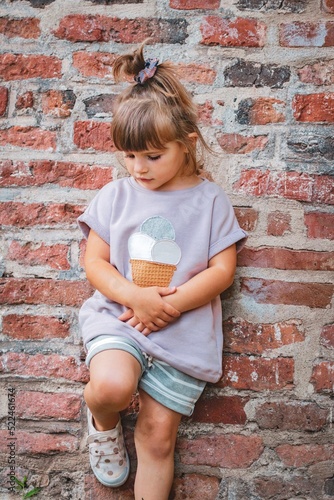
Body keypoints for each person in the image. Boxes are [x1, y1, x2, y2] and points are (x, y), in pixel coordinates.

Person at [78, 42, 247, 500]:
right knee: (111, 386)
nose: (139, 168)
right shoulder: (117, 196)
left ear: (187, 144)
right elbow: (94, 262)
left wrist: (167, 305)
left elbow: (222, 271)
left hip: (182, 333)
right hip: (122, 321)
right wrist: (136, 298)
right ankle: (101, 422)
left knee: (157, 435)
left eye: (152, 156)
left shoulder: (209, 200)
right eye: (129, 156)